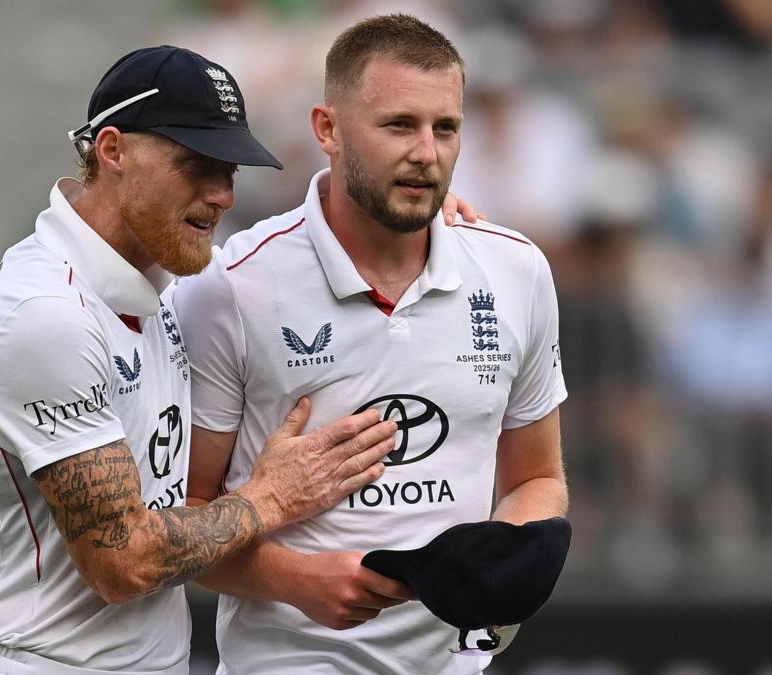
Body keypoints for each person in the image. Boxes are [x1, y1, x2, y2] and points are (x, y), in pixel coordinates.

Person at [0, 46, 401, 675]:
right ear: (113, 151)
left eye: (230, 168)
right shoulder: (45, 315)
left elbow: (289, 257)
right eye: (195, 164)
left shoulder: (157, 286)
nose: (220, 194)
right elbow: (123, 562)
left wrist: (431, 232)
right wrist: (271, 499)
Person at [173, 14, 570, 674]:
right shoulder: (232, 286)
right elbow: (179, 518)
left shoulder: (516, 270)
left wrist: (500, 572)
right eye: (399, 125)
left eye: (446, 128)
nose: (427, 151)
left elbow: (537, 477)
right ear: (327, 129)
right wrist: (293, 577)